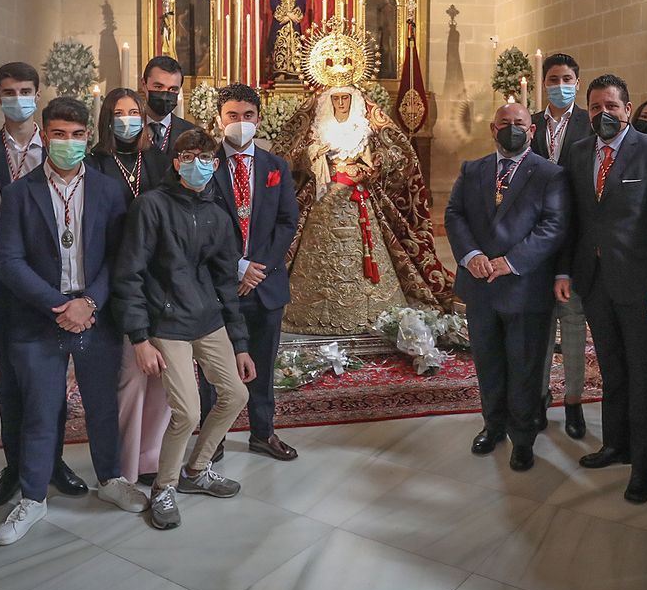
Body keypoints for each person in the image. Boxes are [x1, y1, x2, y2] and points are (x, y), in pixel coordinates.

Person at [0, 97, 151, 545]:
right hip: (38, 317)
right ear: (44, 135)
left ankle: (111, 479)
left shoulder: (108, 189)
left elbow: (120, 255)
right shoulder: (20, 193)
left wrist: (91, 303)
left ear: (88, 138)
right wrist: (58, 305)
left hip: (95, 315)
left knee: (102, 403)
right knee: (42, 409)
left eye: (77, 135)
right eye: (58, 134)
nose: (68, 143)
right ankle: (33, 496)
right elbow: (9, 261)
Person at [112, 128, 258, 528]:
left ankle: (197, 470)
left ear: (216, 164)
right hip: (168, 321)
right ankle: (164, 487)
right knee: (188, 411)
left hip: (207, 318)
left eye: (207, 159)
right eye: (190, 157)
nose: (200, 165)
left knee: (235, 394)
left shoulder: (217, 212)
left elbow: (227, 282)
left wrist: (240, 344)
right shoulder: (152, 206)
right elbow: (130, 275)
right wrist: (140, 338)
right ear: (176, 163)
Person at [556, 74, 647, 504]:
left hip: (641, 284)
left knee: (644, 375)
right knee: (611, 369)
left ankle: (643, 465)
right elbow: (572, 219)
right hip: (594, 281)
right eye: (595, 108)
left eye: (611, 106)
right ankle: (616, 444)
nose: (603, 114)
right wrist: (565, 271)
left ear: (628, 109)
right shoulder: (577, 152)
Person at [0, 62, 87, 511]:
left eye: (25, 90)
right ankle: (15, 465)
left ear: (38, 95)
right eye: (8, 91)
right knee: (11, 382)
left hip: (56, 282)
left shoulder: (62, 144)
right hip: (3, 282)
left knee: (53, 382)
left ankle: (52, 461)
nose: (17, 97)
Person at [446, 103, 569, 470]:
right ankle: (493, 425)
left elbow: (553, 226)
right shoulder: (473, 170)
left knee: (525, 366)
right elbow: (454, 214)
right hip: (481, 286)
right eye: (505, 123)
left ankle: (523, 436)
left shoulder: (550, 174)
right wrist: (470, 255)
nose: (511, 128)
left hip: (525, 287)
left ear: (531, 131)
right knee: (489, 363)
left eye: (519, 124)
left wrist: (511, 261)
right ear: (492, 128)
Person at [275, 84, 454, 333]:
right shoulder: (319, 126)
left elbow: (389, 156)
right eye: (336, 98)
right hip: (325, 195)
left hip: (357, 194)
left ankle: (373, 308)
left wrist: (369, 169)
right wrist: (314, 154)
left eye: (345, 98)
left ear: (353, 100)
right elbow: (293, 155)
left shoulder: (363, 125)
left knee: (368, 245)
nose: (340, 103)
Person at [209, 84, 301, 461]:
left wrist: (258, 268)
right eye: (232, 115)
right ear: (218, 119)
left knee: (262, 365)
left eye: (248, 116)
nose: (240, 123)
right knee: (214, 369)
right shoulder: (204, 165)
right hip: (217, 284)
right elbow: (198, 225)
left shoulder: (275, 166)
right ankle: (211, 440)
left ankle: (263, 433)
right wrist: (237, 266)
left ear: (259, 119)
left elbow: (287, 220)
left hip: (264, 283)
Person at [88, 87, 173, 483]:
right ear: (107, 118)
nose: (127, 119)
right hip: (115, 277)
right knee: (129, 378)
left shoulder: (159, 159)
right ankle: (123, 468)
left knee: (162, 375)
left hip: (159, 276)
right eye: (119, 112)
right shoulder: (95, 163)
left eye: (133, 111)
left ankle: (152, 458)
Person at [531, 52, 594, 439]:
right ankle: (539, 398)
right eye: (553, 79)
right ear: (543, 84)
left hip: (577, 236)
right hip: (536, 241)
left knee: (572, 325)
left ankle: (573, 402)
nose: (560, 85)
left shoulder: (590, 123)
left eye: (567, 78)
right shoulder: (530, 123)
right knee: (539, 326)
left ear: (577, 80)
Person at [139, 55, 199, 159]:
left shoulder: (192, 133)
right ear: (144, 85)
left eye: (172, 89)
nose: (165, 95)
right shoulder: (129, 128)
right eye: (158, 87)